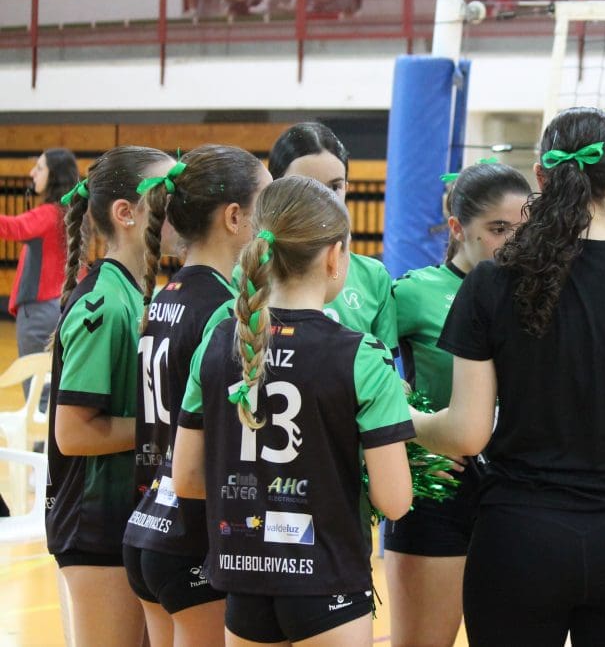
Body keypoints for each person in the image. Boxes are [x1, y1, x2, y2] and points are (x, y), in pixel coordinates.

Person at [412, 106, 605, 646]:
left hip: (520, 541)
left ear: (541, 179)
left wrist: (403, 421)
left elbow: (466, 434)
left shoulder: (490, 281)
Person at [171, 175, 414, 645]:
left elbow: (186, 479)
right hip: (327, 583)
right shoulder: (361, 355)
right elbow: (395, 500)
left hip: (243, 582)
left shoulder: (220, 342)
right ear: (333, 256)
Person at [121, 145, 271, 647]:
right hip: (194, 537)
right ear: (235, 218)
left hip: (147, 527)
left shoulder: (163, 296)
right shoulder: (224, 312)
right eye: (266, 204)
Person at [384, 161, 530, 646]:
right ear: (456, 229)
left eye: (524, 228)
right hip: (439, 495)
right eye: (498, 229)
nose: (514, 241)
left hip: (519, 494)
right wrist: (409, 436)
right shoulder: (413, 293)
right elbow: (355, 367)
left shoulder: (539, 294)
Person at [46, 145, 176, 647]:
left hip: (129, 516)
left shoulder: (137, 293)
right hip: (95, 525)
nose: (179, 206)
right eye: (169, 194)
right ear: (126, 213)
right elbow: (73, 432)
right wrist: (168, 431)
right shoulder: (102, 304)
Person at [266, 122, 397, 350]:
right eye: (306, 186)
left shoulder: (373, 277)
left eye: (334, 186)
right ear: (275, 189)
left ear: (347, 186)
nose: (322, 199)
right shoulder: (247, 272)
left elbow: (386, 371)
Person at [1, 148, 77, 406]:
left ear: (53, 175)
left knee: (38, 395)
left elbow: (11, 227)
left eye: (40, 168)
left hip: (39, 312)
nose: (32, 173)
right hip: (59, 307)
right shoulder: (70, 212)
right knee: (53, 391)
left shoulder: (49, 214)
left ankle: (38, 447)